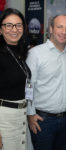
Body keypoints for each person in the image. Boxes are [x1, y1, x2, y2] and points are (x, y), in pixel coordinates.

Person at [26, 14, 66, 150]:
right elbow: (28, 85)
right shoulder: (35, 53)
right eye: (59, 27)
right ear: (51, 29)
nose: (63, 32)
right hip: (43, 120)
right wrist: (30, 114)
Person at [0, 8, 30, 150]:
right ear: (0, 29)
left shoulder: (21, 52)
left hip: (21, 116)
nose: (14, 29)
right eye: (8, 25)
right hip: (4, 120)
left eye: (18, 25)